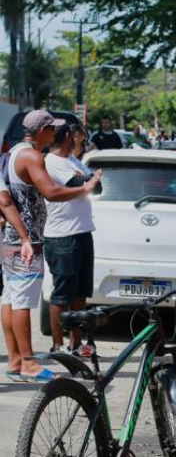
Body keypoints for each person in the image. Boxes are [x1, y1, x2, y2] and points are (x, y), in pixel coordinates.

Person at [2, 111, 100, 383]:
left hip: (13, 237)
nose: (54, 134)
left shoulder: (12, 153)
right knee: (22, 301)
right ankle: (28, 364)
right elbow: (52, 193)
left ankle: (14, 360)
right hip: (27, 240)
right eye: (51, 129)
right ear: (42, 130)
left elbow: (7, 200)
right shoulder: (32, 156)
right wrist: (86, 187)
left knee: (10, 298)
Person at [43, 123, 98, 356]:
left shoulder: (74, 161)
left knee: (80, 292)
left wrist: (89, 181)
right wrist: (88, 181)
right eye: (77, 137)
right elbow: (80, 185)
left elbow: (96, 187)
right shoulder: (52, 162)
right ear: (68, 136)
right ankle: (57, 345)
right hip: (61, 236)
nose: (79, 141)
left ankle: (75, 344)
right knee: (62, 294)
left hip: (83, 232)